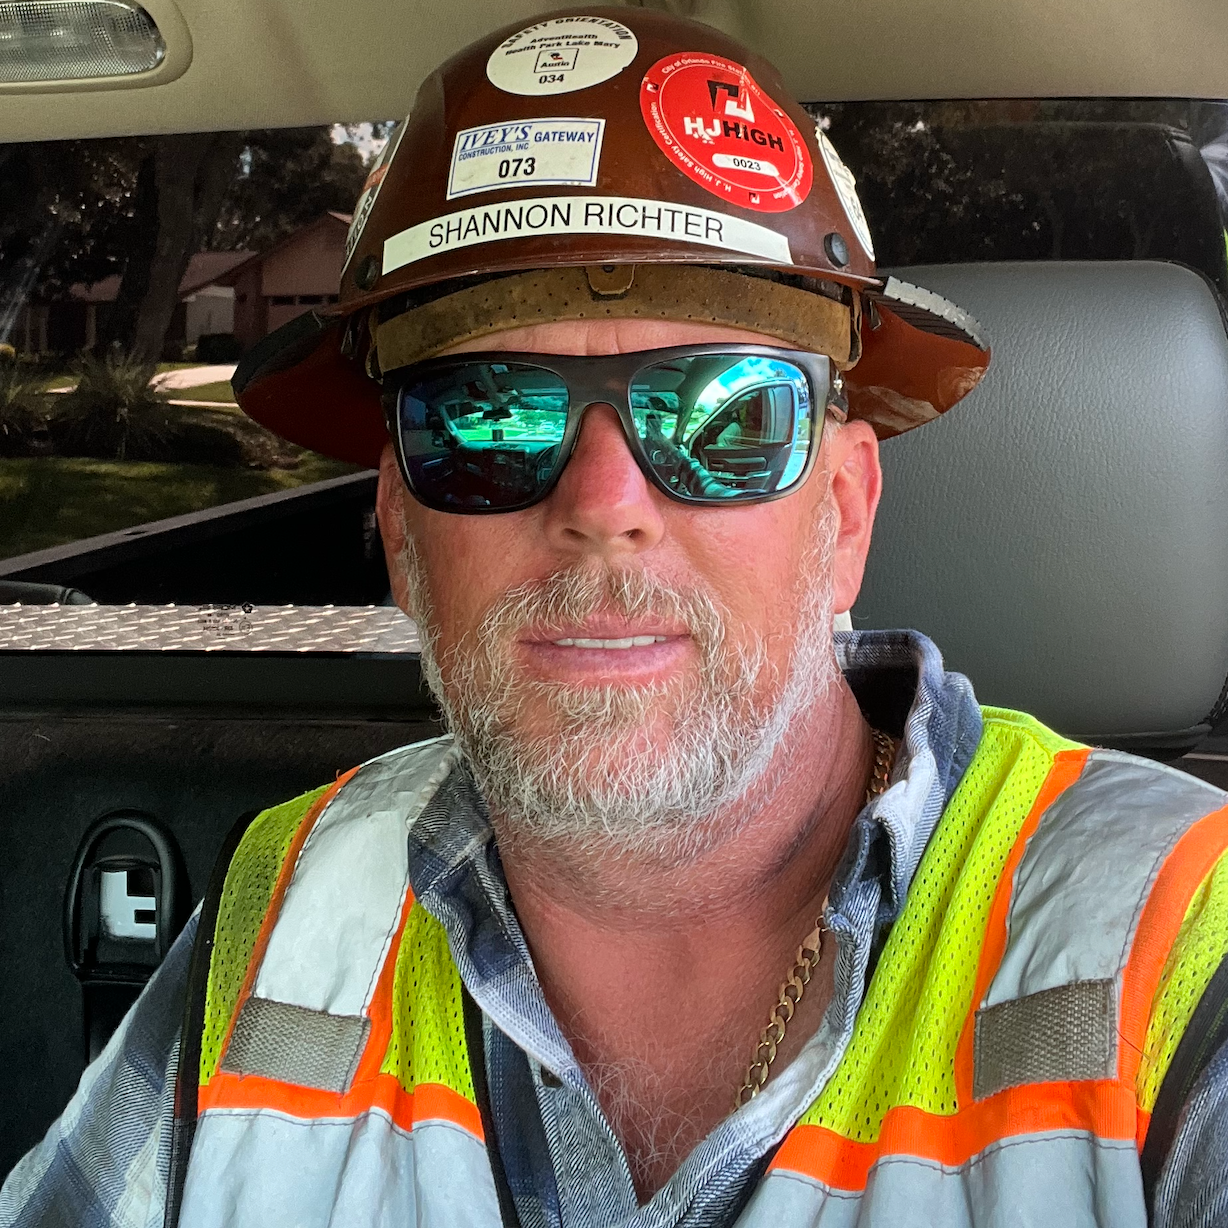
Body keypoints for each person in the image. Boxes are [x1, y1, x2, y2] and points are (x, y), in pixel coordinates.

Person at [5, 9, 1228, 1228]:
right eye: (486, 419)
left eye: (721, 414)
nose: (601, 504)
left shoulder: (1176, 932)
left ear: (844, 514)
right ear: (399, 529)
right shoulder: (282, 916)